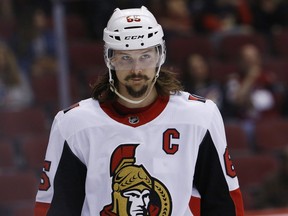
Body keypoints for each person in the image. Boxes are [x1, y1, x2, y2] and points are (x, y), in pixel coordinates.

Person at [34, 6, 244, 215]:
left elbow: (224, 203)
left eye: (145, 56)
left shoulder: (200, 117)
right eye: (125, 57)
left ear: (160, 56)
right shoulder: (73, 125)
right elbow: (53, 209)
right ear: (110, 59)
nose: (136, 69)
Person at [0, 41, 34, 111]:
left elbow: (29, 97)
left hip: (19, 113)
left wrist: (14, 101)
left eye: (2, 58)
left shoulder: (20, 76)